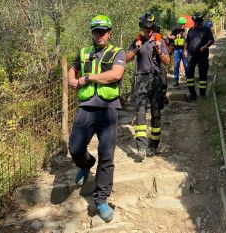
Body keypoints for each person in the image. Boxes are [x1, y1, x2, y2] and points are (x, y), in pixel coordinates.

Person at [68, 15, 126, 223]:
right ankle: (86, 163)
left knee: (106, 154)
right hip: (86, 107)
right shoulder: (84, 52)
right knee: (75, 148)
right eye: (96, 31)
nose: (99, 35)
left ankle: (101, 199)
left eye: (103, 31)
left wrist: (88, 78)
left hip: (108, 109)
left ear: (109, 32)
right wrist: (71, 80)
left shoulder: (117, 52)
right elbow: (72, 69)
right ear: (92, 33)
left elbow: (116, 74)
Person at [126, 13, 170, 161]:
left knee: (156, 113)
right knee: (140, 112)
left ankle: (154, 144)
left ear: (154, 26)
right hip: (141, 79)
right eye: (146, 27)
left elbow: (167, 61)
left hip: (156, 79)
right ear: (142, 27)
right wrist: (136, 49)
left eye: (150, 27)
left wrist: (158, 50)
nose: (148, 30)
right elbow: (126, 58)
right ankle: (141, 147)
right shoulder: (137, 41)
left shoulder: (160, 41)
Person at [184, 12, 214, 99]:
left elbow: (211, 40)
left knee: (203, 74)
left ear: (200, 22)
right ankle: (192, 95)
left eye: (197, 22)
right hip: (191, 55)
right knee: (189, 74)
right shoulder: (190, 30)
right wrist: (185, 50)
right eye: (194, 22)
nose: (195, 24)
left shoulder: (206, 29)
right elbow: (186, 41)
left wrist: (205, 46)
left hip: (202, 55)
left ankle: (202, 95)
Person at [167, 17, 188, 87]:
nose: (181, 25)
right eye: (180, 24)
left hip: (183, 50)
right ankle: (176, 81)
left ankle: (188, 80)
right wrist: (170, 37)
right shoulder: (175, 30)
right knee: (176, 65)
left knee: (186, 65)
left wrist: (186, 51)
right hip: (176, 50)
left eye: (182, 24)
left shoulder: (186, 31)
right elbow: (170, 36)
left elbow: (187, 41)